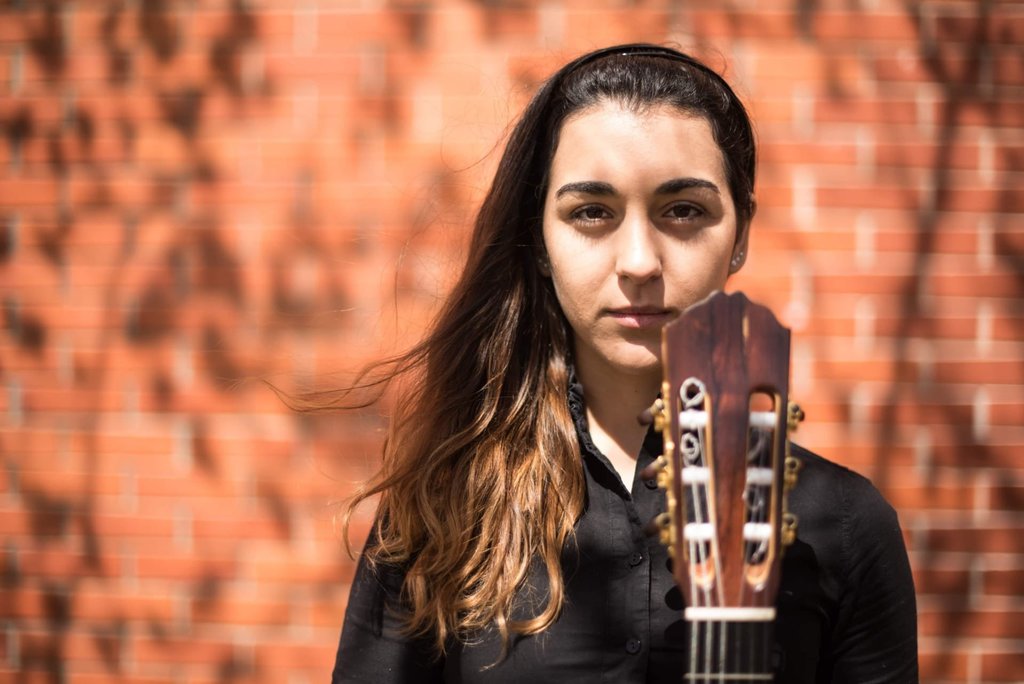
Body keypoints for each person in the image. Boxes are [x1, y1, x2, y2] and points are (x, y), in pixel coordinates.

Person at [330, 44, 918, 683]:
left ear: (741, 232)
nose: (639, 261)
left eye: (683, 211)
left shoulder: (847, 524)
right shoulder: (443, 508)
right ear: (542, 241)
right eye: (592, 213)